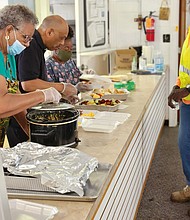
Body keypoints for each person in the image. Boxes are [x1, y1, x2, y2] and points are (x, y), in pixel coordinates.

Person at [6, 15, 78, 147]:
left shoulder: (35, 47)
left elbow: (15, 88)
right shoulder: (31, 46)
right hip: (21, 120)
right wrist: (60, 88)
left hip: (26, 117)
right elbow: (27, 84)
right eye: (61, 38)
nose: (63, 43)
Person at [0, 5, 62, 148]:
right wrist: (42, 95)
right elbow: (2, 105)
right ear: (9, 30)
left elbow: (13, 95)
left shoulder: (8, 56)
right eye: (25, 37)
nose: (28, 45)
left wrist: (32, 133)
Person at [168, 27, 190, 203]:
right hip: (188, 103)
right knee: (185, 145)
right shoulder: (189, 33)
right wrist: (177, 87)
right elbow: (185, 70)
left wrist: (187, 90)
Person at [45, 25, 93, 93]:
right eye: (66, 48)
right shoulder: (48, 66)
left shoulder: (70, 62)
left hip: (75, 102)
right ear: (56, 47)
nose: (69, 51)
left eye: (71, 48)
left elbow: (78, 77)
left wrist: (88, 76)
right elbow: (50, 93)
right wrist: (74, 89)